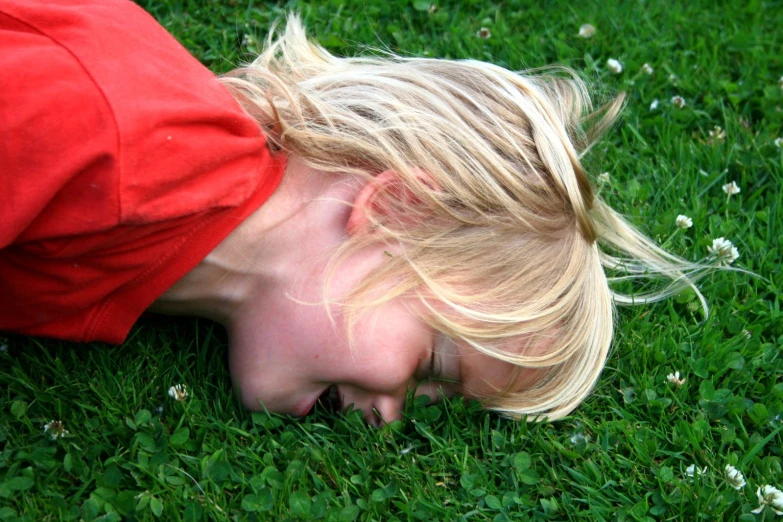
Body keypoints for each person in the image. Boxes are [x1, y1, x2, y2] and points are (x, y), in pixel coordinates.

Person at [0, 0, 705, 426]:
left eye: (427, 404)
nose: (388, 416)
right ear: (393, 209)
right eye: (431, 365)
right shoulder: (112, 139)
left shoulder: (162, 236)